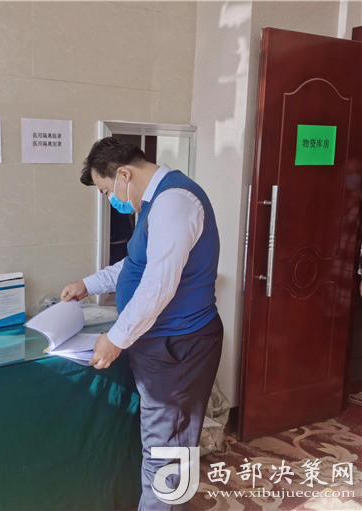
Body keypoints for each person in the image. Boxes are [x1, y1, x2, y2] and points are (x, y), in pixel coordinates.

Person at [61, 137, 223, 510]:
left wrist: (116, 338)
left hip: (179, 344)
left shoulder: (174, 202)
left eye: (107, 191)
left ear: (124, 174)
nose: (112, 200)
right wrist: (89, 284)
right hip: (164, 342)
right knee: (164, 445)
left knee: (166, 450)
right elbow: (136, 263)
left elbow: (158, 284)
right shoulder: (155, 203)